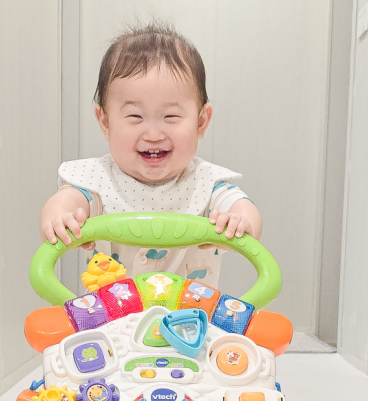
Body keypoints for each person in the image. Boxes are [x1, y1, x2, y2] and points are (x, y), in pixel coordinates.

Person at [39, 21, 262, 288]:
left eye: (170, 116)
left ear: (201, 122)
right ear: (105, 121)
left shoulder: (207, 184)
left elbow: (242, 208)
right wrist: (60, 218)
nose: (153, 134)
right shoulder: (96, 181)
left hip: (191, 312)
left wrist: (239, 222)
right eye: (135, 116)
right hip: (112, 311)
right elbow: (65, 201)